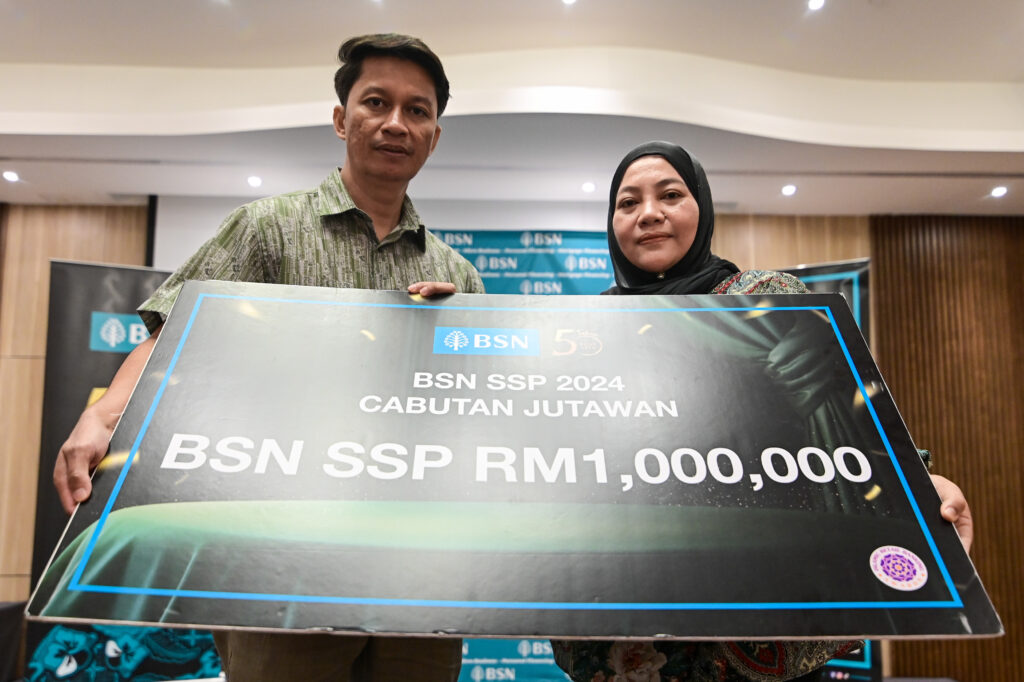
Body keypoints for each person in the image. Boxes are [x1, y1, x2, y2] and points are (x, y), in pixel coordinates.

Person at [53, 33, 482, 682]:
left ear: (434, 136)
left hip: (416, 569)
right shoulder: (266, 228)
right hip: (275, 560)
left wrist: (455, 332)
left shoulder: (456, 273)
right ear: (341, 119)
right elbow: (174, 332)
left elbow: (476, 410)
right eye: (376, 102)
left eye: (417, 110)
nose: (396, 123)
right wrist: (103, 416)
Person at [551, 141, 973, 682]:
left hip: (763, 615)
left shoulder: (768, 300)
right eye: (628, 202)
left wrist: (917, 488)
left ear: (702, 206)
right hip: (628, 626)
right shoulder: (580, 329)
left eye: (670, 195)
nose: (648, 213)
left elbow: (845, 423)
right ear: (612, 223)